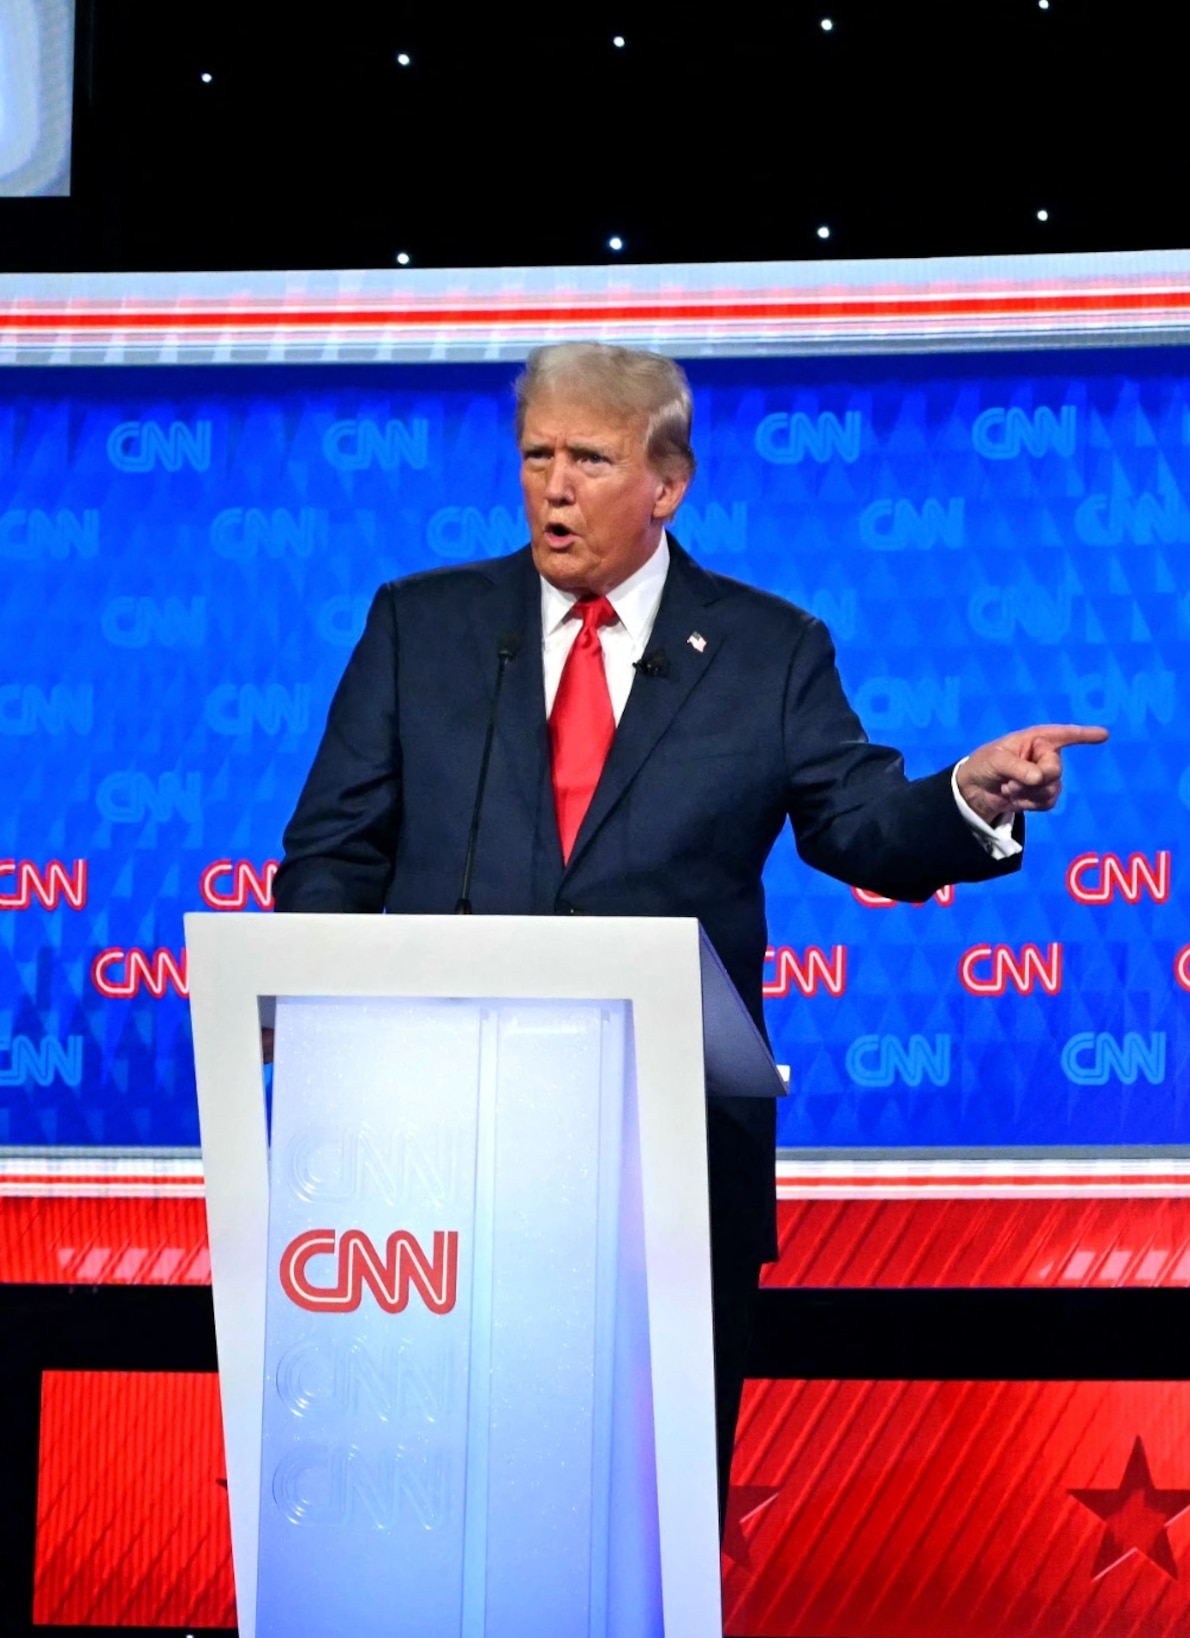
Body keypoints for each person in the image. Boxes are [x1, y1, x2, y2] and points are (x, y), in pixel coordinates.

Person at [276, 341, 1106, 1519]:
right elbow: (332, 856)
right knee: (436, 1509)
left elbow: (860, 826)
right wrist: (329, 1042)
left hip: (667, 1164)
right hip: (437, 1162)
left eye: (592, 459)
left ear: (668, 482)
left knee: (642, 1519)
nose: (554, 486)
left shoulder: (769, 649)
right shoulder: (425, 627)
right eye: (537, 456)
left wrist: (970, 790)